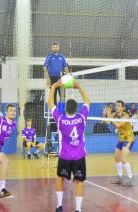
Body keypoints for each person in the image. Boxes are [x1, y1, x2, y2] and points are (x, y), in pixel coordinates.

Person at [48, 80, 90, 212]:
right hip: (79, 157)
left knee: (60, 178)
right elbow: (88, 102)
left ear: (65, 109)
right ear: (77, 108)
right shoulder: (82, 117)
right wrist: (79, 87)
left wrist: (54, 87)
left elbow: (50, 104)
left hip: (64, 157)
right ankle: (78, 209)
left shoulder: (60, 119)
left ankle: (59, 206)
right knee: (79, 181)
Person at [106, 100, 135, 186]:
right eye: (116, 106)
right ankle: (120, 177)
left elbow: (118, 125)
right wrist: (107, 114)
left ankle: (130, 178)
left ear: (123, 107)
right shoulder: (114, 114)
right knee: (116, 157)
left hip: (128, 139)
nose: (117, 107)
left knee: (123, 158)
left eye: (119, 106)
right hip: (121, 139)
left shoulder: (126, 116)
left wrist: (110, 116)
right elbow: (107, 121)